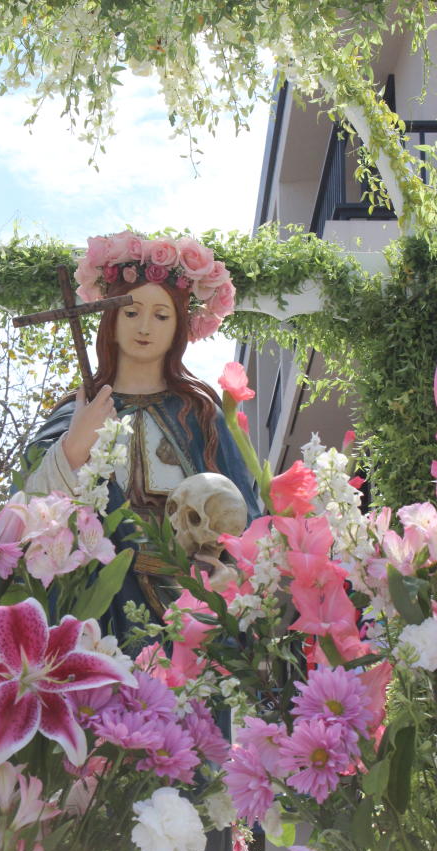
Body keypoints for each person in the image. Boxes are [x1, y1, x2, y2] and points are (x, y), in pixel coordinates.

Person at [23, 231, 260, 635]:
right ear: (110, 320)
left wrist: (229, 569)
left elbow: (244, 512)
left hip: (187, 596)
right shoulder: (77, 409)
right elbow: (31, 502)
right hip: (98, 597)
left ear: (179, 326)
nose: (145, 326)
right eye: (131, 313)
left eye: (161, 315)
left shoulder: (197, 412)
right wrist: (77, 442)